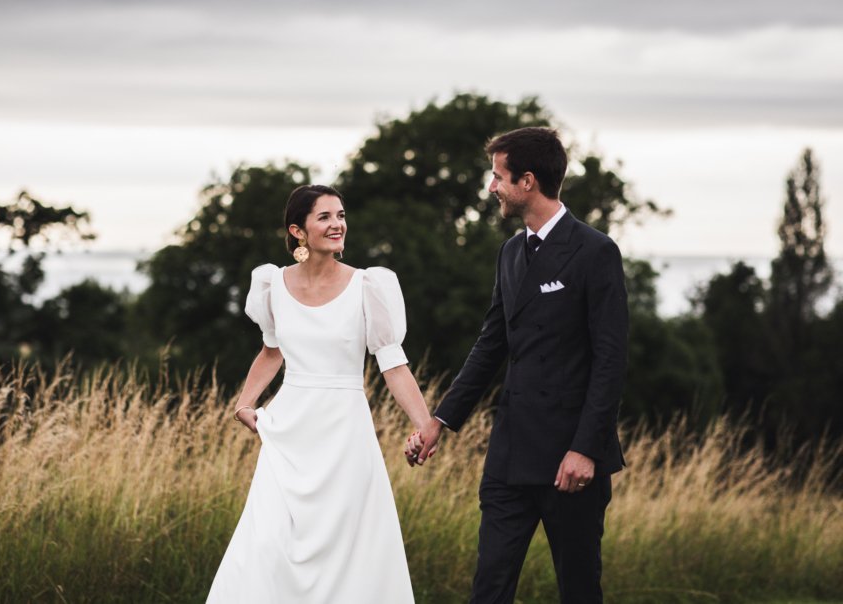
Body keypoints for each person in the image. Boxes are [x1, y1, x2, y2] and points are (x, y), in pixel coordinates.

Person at [406, 127, 628, 604]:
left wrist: (586, 449)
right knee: (489, 586)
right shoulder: (510, 252)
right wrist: (438, 421)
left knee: (579, 589)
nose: (492, 188)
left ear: (527, 181)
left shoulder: (595, 252)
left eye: (497, 177)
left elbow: (610, 361)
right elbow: (490, 346)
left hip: (572, 458)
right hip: (510, 455)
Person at [206, 184, 430, 604]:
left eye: (341, 215)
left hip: (345, 433)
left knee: (348, 552)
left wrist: (426, 427)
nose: (337, 224)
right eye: (325, 217)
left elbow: (394, 366)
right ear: (298, 231)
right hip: (288, 432)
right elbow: (271, 351)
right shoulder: (272, 284)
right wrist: (244, 404)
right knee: (269, 542)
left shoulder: (369, 287)